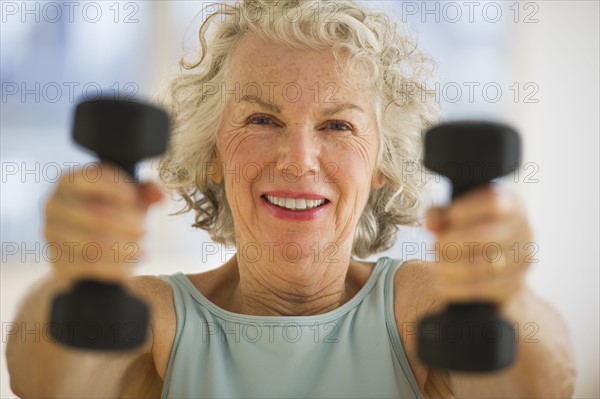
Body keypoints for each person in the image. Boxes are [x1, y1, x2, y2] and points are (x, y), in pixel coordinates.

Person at [7, 1, 576, 397]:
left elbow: (545, 384)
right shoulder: (159, 319)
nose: (298, 159)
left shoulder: (415, 306)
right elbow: (41, 381)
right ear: (212, 152)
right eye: (261, 118)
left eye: (337, 125)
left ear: (382, 166)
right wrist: (74, 276)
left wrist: (506, 295)